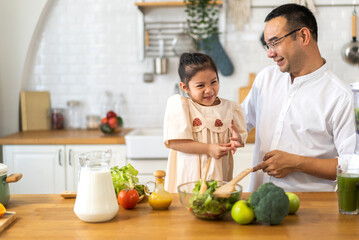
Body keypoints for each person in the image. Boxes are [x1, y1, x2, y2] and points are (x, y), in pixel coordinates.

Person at [241, 3, 356, 192]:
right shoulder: (265, 79)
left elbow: (351, 164)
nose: (270, 53)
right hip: (258, 201)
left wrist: (297, 163)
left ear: (303, 36)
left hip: (311, 211)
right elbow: (240, 123)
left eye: (275, 43)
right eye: (268, 45)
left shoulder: (340, 96)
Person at [163, 52, 248, 193]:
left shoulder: (230, 108)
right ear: (185, 88)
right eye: (200, 85)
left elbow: (239, 138)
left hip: (219, 176)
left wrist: (236, 140)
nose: (209, 90)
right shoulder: (181, 106)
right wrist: (209, 149)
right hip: (189, 178)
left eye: (213, 82)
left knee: (215, 206)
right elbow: (175, 143)